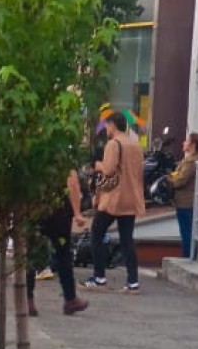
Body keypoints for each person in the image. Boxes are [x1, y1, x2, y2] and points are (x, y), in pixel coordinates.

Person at [83, 110, 145, 293]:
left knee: (96, 232)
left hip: (114, 198)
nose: (106, 129)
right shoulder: (135, 145)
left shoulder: (113, 144)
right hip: (132, 197)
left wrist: (96, 166)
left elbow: (109, 170)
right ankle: (133, 282)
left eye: (107, 125)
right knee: (127, 240)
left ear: (112, 125)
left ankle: (99, 278)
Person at [26, 170, 89, 316]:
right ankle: (70, 299)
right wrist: (77, 213)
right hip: (58, 209)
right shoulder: (60, 151)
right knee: (63, 254)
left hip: (33, 207)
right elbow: (71, 181)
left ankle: (27, 300)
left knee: (30, 254)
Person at [168, 132, 198, 258]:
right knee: (187, 231)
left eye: (186, 141)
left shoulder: (191, 161)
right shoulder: (193, 159)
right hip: (187, 201)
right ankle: (189, 255)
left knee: (186, 232)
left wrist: (169, 181)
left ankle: (187, 256)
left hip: (186, 202)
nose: (183, 143)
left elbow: (181, 180)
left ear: (193, 144)